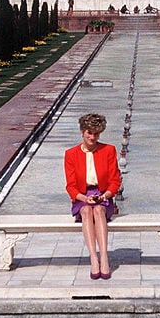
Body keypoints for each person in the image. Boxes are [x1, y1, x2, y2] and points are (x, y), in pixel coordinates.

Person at [64, 112, 121, 279]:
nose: (93, 137)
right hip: (82, 196)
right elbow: (71, 186)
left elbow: (115, 182)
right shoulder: (71, 154)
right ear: (82, 132)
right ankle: (93, 258)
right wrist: (83, 198)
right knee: (87, 211)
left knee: (98, 210)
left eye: (96, 133)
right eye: (89, 133)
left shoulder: (109, 150)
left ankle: (104, 257)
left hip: (103, 195)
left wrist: (104, 197)